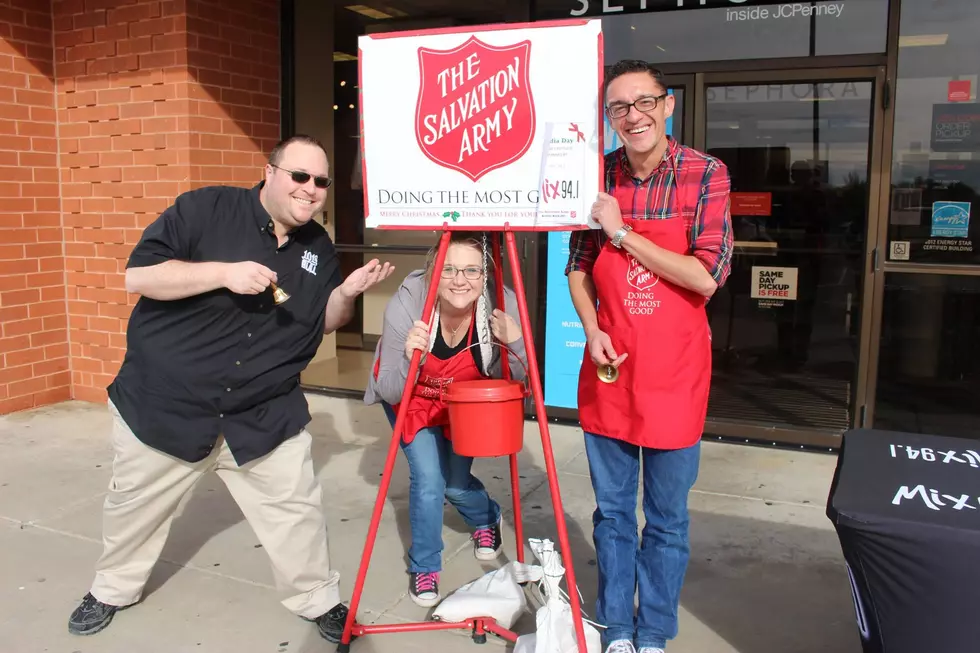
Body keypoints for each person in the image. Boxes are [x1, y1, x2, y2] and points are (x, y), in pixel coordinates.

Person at [67, 134, 394, 644]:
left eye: (322, 182)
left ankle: (316, 597)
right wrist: (222, 273)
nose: (311, 190)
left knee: (296, 511)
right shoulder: (206, 209)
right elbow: (139, 277)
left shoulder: (318, 248)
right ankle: (111, 589)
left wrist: (347, 294)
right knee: (134, 508)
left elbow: (323, 321)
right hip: (168, 405)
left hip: (262, 412)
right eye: (300, 176)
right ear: (270, 172)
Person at [566, 60, 733, 653]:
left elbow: (705, 276)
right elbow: (577, 270)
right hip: (610, 370)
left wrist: (621, 233)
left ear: (667, 107)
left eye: (643, 103)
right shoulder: (597, 174)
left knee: (665, 521)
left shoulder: (705, 174)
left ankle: (655, 632)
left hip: (676, 375)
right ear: (608, 119)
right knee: (612, 516)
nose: (632, 116)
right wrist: (590, 329)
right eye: (618, 108)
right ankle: (617, 629)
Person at [364, 231, 527, 607]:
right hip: (413, 397)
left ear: (484, 275)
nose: (459, 280)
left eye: (471, 270)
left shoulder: (503, 305)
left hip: (462, 403)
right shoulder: (406, 306)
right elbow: (389, 388)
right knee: (429, 479)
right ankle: (425, 566)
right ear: (433, 270)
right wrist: (410, 358)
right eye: (448, 268)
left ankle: (486, 519)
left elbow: (518, 382)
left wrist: (516, 343)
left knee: (455, 484)